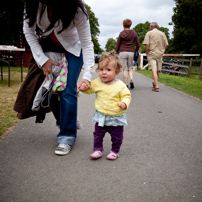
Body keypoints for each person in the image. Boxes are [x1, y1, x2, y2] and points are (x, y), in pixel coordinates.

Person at [20, 0, 94, 155]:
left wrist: (87, 75)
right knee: (51, 90)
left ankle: (67, 136)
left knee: (67, 91)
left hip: (73, 49)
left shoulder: (77, 10)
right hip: (48, 50)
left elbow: (87, 44)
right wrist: (42, 61)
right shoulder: (32, 4)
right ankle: (66, 121)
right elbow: (29, 32)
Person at [79, 51, 131, 160]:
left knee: (117, 137)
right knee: (98, 134)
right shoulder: (97, 82)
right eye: (101, 69)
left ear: (116, 72)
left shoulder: (120, 85)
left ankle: (114, 151)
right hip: (101, 116)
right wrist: (84, 88)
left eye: (108, 70)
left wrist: (124, 103)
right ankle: (97, 149)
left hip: (116, 117)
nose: (104, 73)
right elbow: (89, 89)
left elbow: (127, 96)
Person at [143, 22, 168, 92]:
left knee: (154, 69)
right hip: (160, 53)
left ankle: (156, 86)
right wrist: (163, 51)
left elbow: (147, 44)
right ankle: (155, 83)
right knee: (157, 70)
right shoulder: (162, 33)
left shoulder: (149, 33)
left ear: (151, 26)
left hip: (152, 53)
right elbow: (166, 44)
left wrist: (147, 52)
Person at [116, 19, 140, 89]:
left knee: (125, 69)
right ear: (130, 25)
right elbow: (138, 44)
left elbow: (118, 44)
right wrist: (136, 50)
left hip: (123, 52)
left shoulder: (121, 33)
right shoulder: (134, 33)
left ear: (123, 25)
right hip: (131, 52)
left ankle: (126, 84)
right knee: (130, 67)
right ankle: (131, 80)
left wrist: (116, 52)